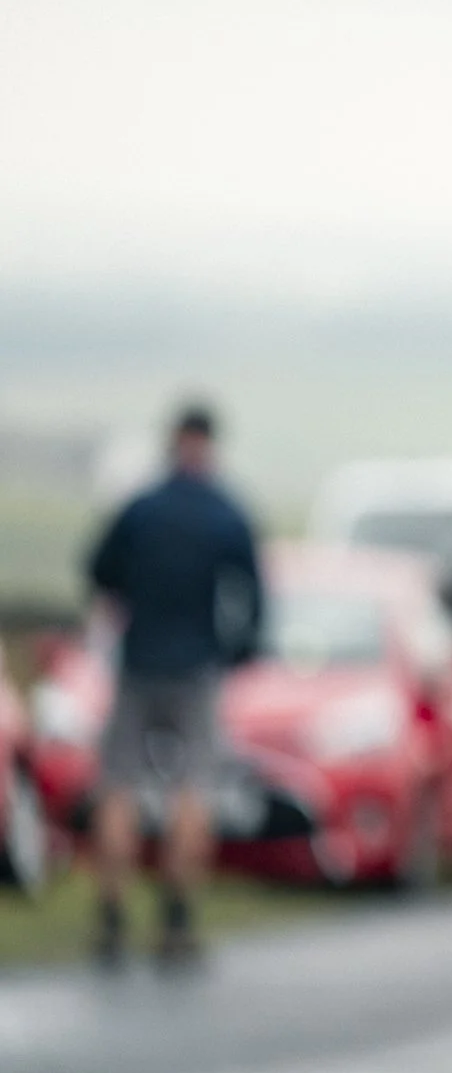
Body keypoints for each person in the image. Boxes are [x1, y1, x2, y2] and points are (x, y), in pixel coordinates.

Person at [86, 402, 261, 968]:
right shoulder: (224, 513)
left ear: (171, 442)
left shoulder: (140, 508)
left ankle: (112, 913)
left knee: (119, 786)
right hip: (196, 668)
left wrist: (131, 602)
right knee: (195, 789)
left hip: (139, 662)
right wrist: (238, 649)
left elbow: (98, 570)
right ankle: (177, 913)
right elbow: (252, 594)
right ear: (210, 445)